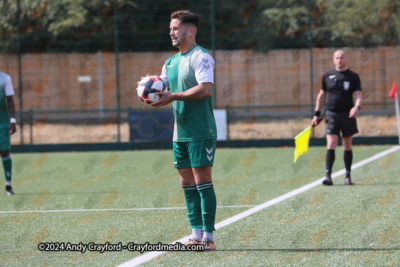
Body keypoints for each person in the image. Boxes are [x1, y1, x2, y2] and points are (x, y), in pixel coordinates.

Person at [149, 10, 217, 250]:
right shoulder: (169, 62)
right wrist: (150, 92)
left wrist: (173, 96)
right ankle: (196, 236)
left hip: (201, 130)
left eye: (175, 28)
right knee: (186, 183)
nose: (171, 32)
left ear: (190, 31)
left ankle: (208, 239)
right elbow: (162, 91)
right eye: (170, 29)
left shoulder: (202, 57)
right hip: (180, 133)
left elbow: (205, 89)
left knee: (202, 182)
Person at [312, 50, 363, 186]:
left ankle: (348, 176)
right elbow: (321, 96)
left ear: (346, 59)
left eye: (342, 57)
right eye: (337, 58)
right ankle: (328, 176)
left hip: (348, 114)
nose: (339, 60)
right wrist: (316, 115)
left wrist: (356, 107)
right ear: (333, 60)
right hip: (332, 114)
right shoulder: (327, 76)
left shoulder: (353, 76)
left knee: (347, 144)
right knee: (331, 143)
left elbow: (358, 95)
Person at [0, 71, 16, 195]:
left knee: (4, 151)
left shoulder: (5, 78)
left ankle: (8, 185)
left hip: (2, 120)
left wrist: (13, 120)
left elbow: (10, 100)